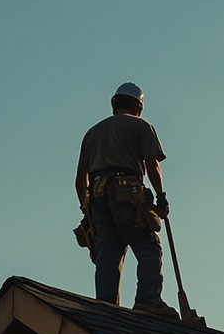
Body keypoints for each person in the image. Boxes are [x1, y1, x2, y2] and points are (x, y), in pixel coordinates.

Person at [75, 82, 178, 318]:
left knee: (108, 255)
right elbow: (152, 163)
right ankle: (148, 300)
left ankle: (105, 307)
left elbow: (81, 179)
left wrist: (86, 210)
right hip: (127, 192)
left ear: (114, 104)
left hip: (98, 197)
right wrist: (161, 195)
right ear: (139, 106)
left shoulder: (92, 133)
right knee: (149, 247)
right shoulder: (142, 126)